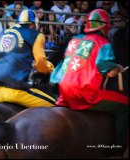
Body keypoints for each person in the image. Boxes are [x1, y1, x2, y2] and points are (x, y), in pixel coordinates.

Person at [50, 9, 128, 152]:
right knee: (125, 106)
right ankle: (117, 150)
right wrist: (118, 67)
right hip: (85, 96)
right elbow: (109, 72)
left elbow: (57, 73)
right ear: (105, 26)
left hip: (63, 94)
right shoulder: (103, 43)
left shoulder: (73, 41)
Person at [0, 9, 56, 108]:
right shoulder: (36, 35)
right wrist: (49, 69)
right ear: (33, 24)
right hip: (14, 90)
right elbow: (41, 64)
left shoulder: (3, 33)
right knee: (56, 106)